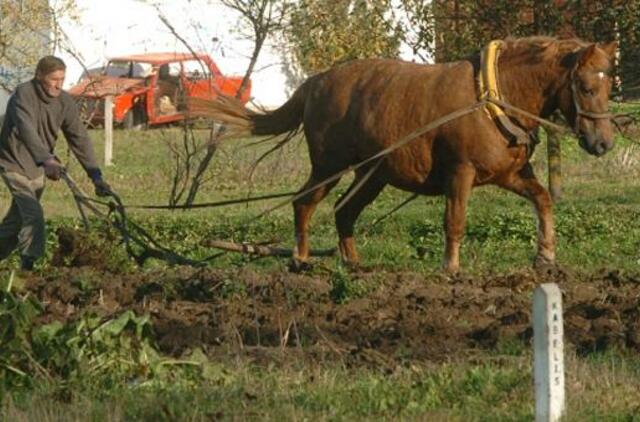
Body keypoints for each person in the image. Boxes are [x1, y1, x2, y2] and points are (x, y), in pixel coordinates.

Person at [0, 56, 112, 271]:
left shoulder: (64, 101)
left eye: (62, 79)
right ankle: (28, 268)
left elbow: (79, 138)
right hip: (13, 161)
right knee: (33, 214)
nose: (58, 84)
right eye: (53, 79)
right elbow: (27, 130)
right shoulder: (24, 94)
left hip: (38, 167)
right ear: (39, 76)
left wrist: (95, 176)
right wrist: (47, 159)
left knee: (14, 222)